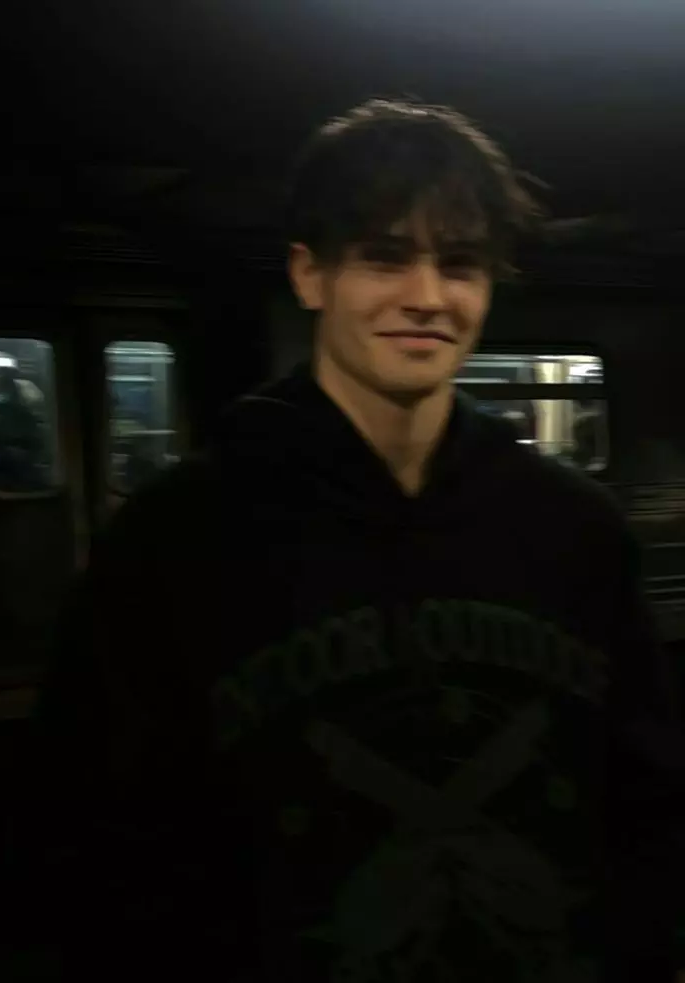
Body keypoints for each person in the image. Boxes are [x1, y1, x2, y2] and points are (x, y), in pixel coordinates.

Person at [34, 99, 683, 982]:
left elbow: (645, 804)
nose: (427, 296)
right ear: (310, 275)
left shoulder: (576, 531)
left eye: (460, 264)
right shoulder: (173, 541)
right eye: (385, 256)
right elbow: (95, 845)